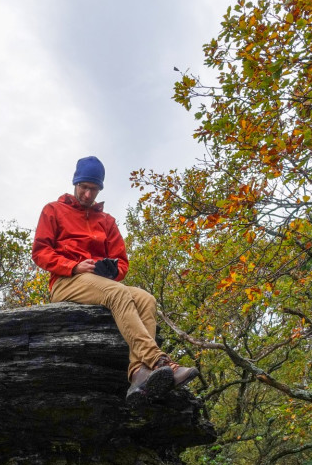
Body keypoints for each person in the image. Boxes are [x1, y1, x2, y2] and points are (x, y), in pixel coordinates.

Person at [32, 156, 198, 406]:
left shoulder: (106, 221)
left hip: (100, 283)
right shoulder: (53, 210)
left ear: (100, 189)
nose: (88, 194)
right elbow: (40, 252)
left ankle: (138, 374)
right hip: (66, 281)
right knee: (118, 293)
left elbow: (122, 262)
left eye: (94, 189)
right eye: (84, 187)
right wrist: (74, 266)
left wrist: (110, 272)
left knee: (146, 299)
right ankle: (159, 362)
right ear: (75, 183)